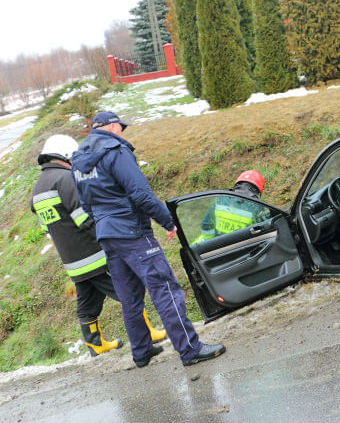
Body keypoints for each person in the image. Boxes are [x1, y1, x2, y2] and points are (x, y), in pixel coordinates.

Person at [71, 112, 225, 367]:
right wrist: (167, 220)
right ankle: (190, 349)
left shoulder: (78, 161)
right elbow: (141, 193)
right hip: (132, 232)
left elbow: (85, 204)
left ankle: (141, 351)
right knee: (165, 290)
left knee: (129, 297)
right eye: (121, 128)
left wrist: (105, 223)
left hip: (108, 236)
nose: (122, 133)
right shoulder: (115, 150)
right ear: (112, 127)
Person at [31, 134, 166, 357]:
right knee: (128, 292)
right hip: (94, 254)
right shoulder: (65, 179)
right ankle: (147, 333)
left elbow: (47, 227)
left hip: (72, 261)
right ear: (66, 156)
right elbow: (85, 218)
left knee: (87, 301)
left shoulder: (38, 188)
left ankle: (95, 344)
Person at [195, 169, 269, 243]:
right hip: (238, 248)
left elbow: (206, 223)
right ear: (258, 189)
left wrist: (211, 243)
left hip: (209, 245)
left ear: (237, 183)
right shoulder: (257, 207)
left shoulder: (221, 198)